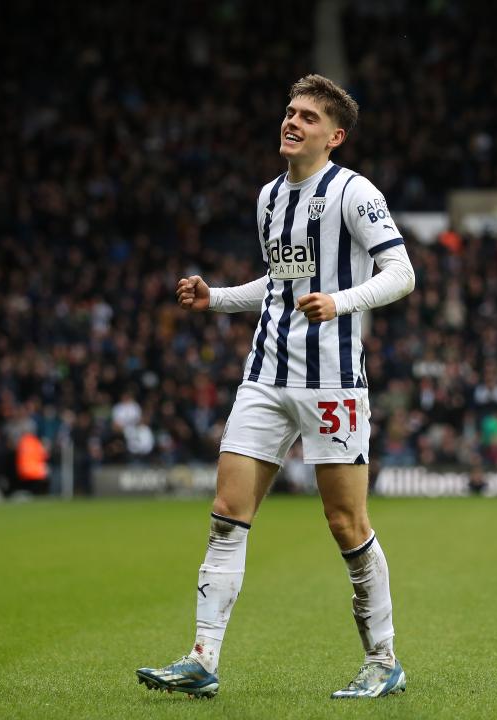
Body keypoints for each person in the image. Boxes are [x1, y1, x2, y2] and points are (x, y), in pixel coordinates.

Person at [137, 74, 415, 699]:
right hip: (265, 376)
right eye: (290, 111)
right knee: (226, 514)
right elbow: (279, 284)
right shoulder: (268, 198)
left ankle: (383, 661)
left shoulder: (354, 192)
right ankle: (202, 659)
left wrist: (341, 302)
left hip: (332, 381)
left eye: (309, 117)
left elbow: (402, 273)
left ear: (334, 136)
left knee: (346, 523)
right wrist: (215, 298)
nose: (292, 121)